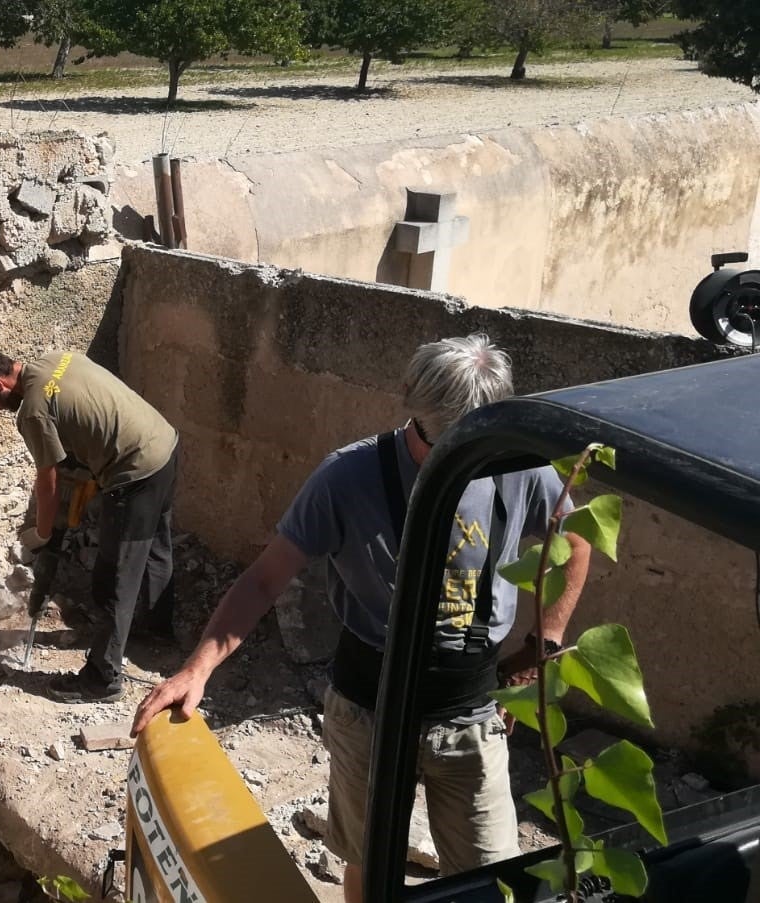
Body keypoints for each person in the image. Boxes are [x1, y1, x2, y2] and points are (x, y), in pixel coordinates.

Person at [131, 335, 592, 902]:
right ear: (412, 409)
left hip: (470, 713)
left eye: (472, 444)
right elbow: (262, 580)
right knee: (372, 867)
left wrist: (543, 644)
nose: (457, 460)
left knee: (489, 884)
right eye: (442, 441)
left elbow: (575, 537)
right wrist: (196, 671)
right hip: (368, 713)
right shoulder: (347, 477)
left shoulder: (516, 467)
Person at [0, 349, 179, 704]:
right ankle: (157, 633)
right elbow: (78, 433)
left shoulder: (32, 410)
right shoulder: (56, 359)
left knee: (115, 579)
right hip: (164, 446)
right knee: (155, 546)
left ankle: (101, 680)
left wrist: (44, 534)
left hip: (134, 471)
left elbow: (47, 481)